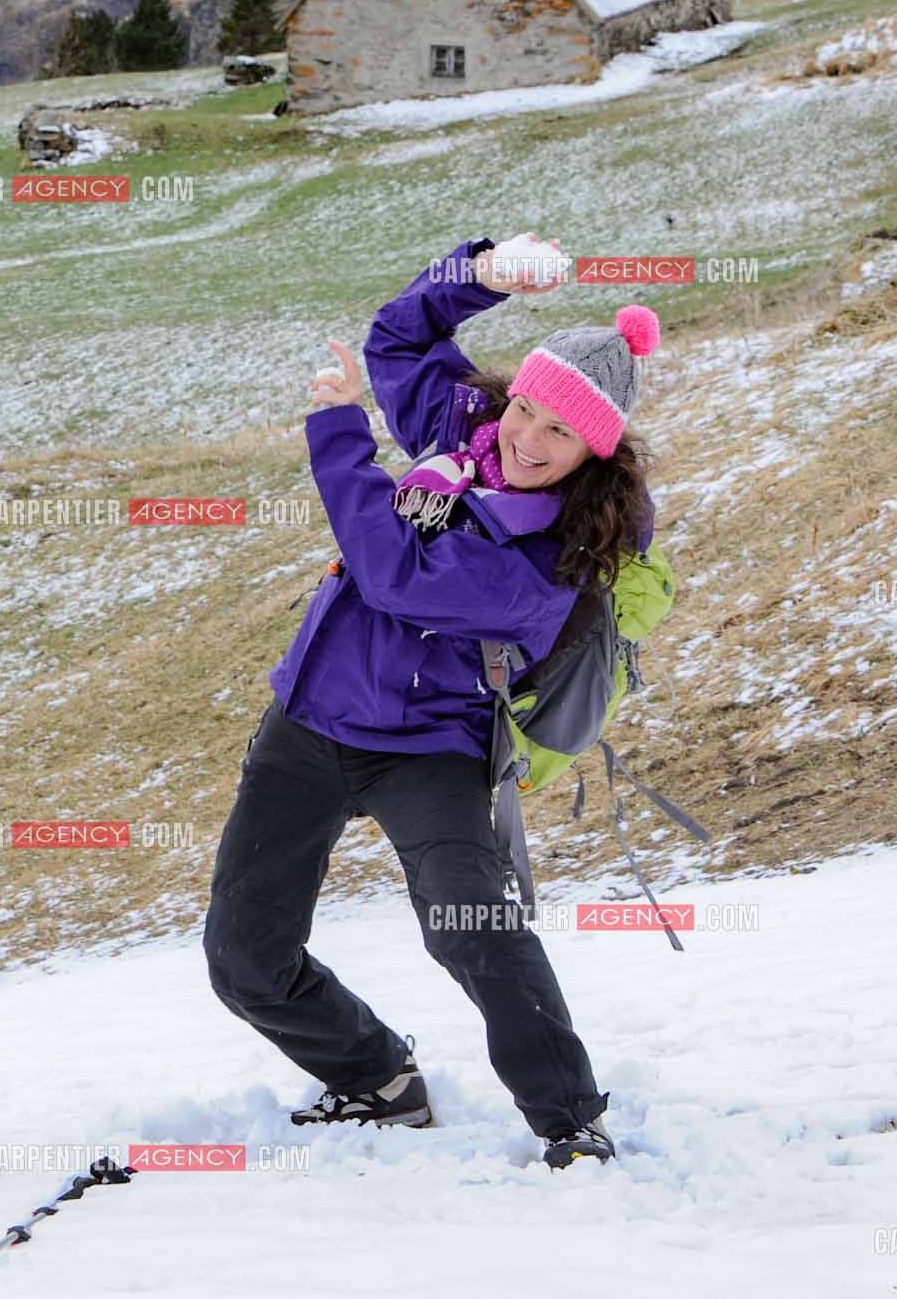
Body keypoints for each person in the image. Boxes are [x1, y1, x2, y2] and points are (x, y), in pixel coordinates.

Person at [202, 234, 663, 1169]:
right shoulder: (466, 432)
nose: (526, 439)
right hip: (308, 722)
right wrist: (479, 274)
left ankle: (569, 1116)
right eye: (524, 408)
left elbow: (394, 573)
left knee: (472, 928)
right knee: (245, 959)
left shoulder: (556, 559)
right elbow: (399, 343)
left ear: (595, 453)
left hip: (431, 749)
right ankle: (376, 1078)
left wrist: (339, 434)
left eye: (557, 432)